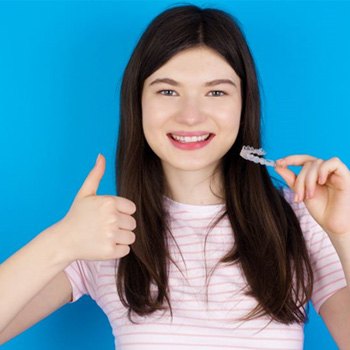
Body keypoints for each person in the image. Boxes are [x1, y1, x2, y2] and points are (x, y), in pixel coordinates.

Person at [1, 4, 350, 349]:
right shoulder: (104, 234)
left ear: (244, 105)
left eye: (216, 92)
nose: (191, 116)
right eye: (168, 91)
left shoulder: (301, 220)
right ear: (137, 103)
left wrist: (344, 231)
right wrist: (63, 240)